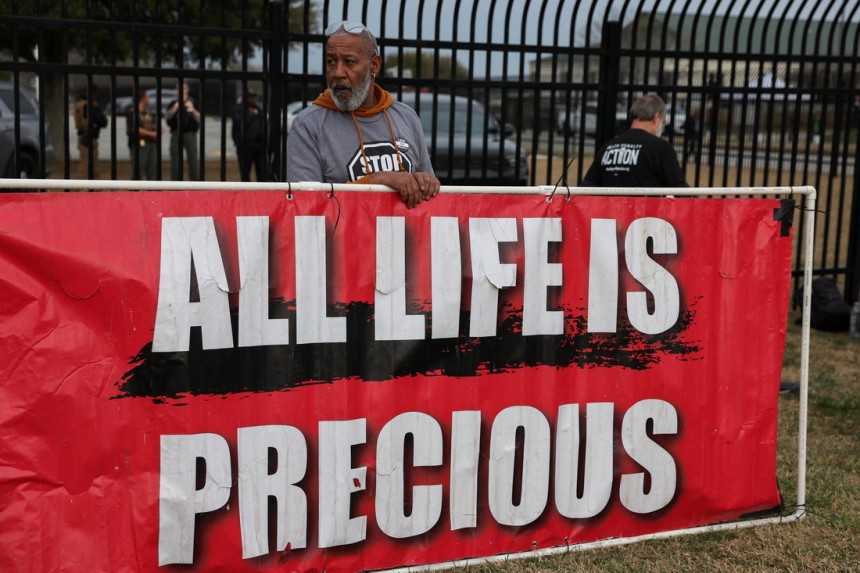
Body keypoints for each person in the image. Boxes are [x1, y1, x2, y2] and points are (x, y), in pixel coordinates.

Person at [287, 21, 440, 208]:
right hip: (342, 238)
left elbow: (431, 202)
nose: (338, 73)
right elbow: (306, 208)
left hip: (402, 236)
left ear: (374, 65)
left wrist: (425, 182)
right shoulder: (308, 125)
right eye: (331, 62)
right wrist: (375, 180)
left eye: (349, 62)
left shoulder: (406, 117)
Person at [581, 93, 688, 189]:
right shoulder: (661, 148)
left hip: (612, 210)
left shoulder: (608, 148)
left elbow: (586, 187)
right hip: (647, 211)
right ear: (656, 118)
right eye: (663, 122)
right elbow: (680, 189)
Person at [165, 82, 200, 180]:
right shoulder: (173, 103)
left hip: (189, 134)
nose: (179, 90)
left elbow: (200, 119)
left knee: (192, 160)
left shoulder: (193, 102)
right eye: (177, 88)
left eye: (182, 88)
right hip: (176, 133)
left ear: (187, 90)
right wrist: (175, 109)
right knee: (175, 161)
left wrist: (193, 110)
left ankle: (194, 184)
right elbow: (166, 118)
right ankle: (175, 184)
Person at [125, 89, 161, 180]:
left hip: (151, 144)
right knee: (138, 171)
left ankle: (152, 192)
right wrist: (152, 133)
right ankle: (134, 192)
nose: (148, 99)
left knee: (153, 172)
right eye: (147, 97)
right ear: (142, 98)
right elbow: (135, 129)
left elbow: (155, 125)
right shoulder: (132, 112)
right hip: (139, 144)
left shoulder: (148, 112)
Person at [73, 85, 108, 179]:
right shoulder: (88, 105)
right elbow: (103, 121)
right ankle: (77, 190)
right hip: (88, 138)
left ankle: (94, 190)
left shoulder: (79, 103)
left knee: (89, 168)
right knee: (87, 168)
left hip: (83, 136)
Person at [231, 91, 265, 182]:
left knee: (261, 173)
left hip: (258, 145)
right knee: (245, 172)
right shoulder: (238, 109)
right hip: (245, 145)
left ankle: (261, 192)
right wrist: (251, 115)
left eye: (253, 97)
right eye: (250, 97)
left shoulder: (256, 108)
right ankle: (246, 193)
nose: (252, 99)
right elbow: (239, 123)